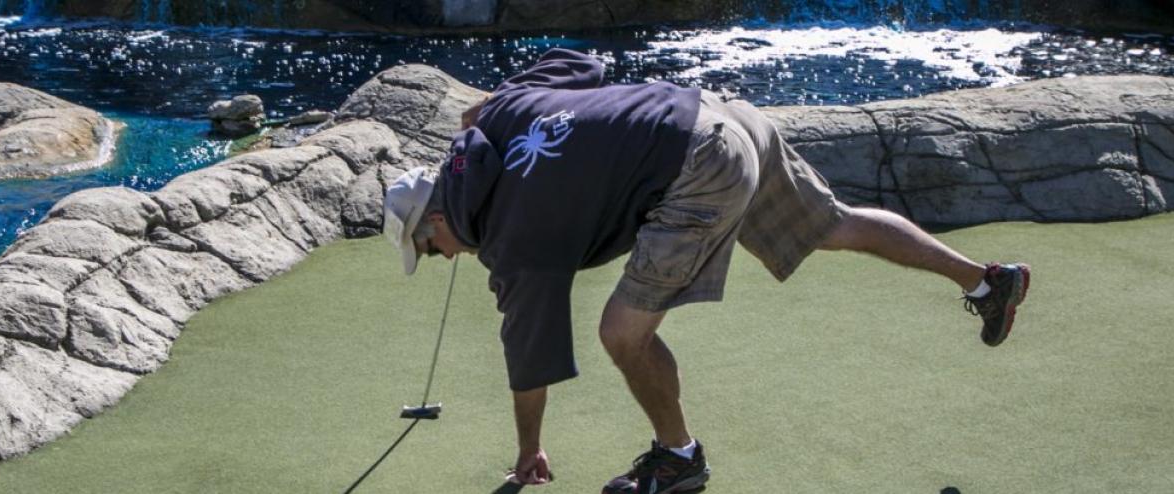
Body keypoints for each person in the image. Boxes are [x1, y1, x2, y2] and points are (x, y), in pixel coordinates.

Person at [381, 48, 1029, 494]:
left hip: (697, 167)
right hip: (723, 116)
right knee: (831, 223)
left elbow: (530, 362)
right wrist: (499, 99)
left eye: (431, 250)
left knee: (621, 332)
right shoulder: (498, 112)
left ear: (434, 222)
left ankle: (679, 459)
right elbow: (584, 62)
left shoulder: (512, 239)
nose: (442, 258)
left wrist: (528, 452)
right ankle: (985, 280)